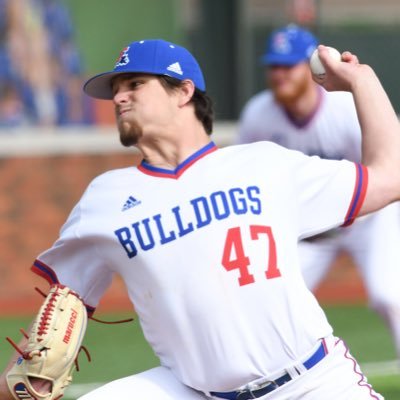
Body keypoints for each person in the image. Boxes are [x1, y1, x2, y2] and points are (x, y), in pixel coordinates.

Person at [1, 37, 400, 400]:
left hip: (311, 382)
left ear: (184, 91)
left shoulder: (263, 164)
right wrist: (28, 376)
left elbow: (390, 177)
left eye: (135, 84)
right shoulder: (103, 199)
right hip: (195, 391)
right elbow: (65, 304)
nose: (120, 97)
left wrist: (361, 80)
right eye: (116, 90)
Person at [237, 24, 400, 361]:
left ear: (312, 68)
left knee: (391, 295)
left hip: (371, 221)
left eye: (288, 65)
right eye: (273, 66)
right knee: (262, 298)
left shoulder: (344, 109)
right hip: (311, 231)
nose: (279, 74)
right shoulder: (258, 115)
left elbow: (386, 166)